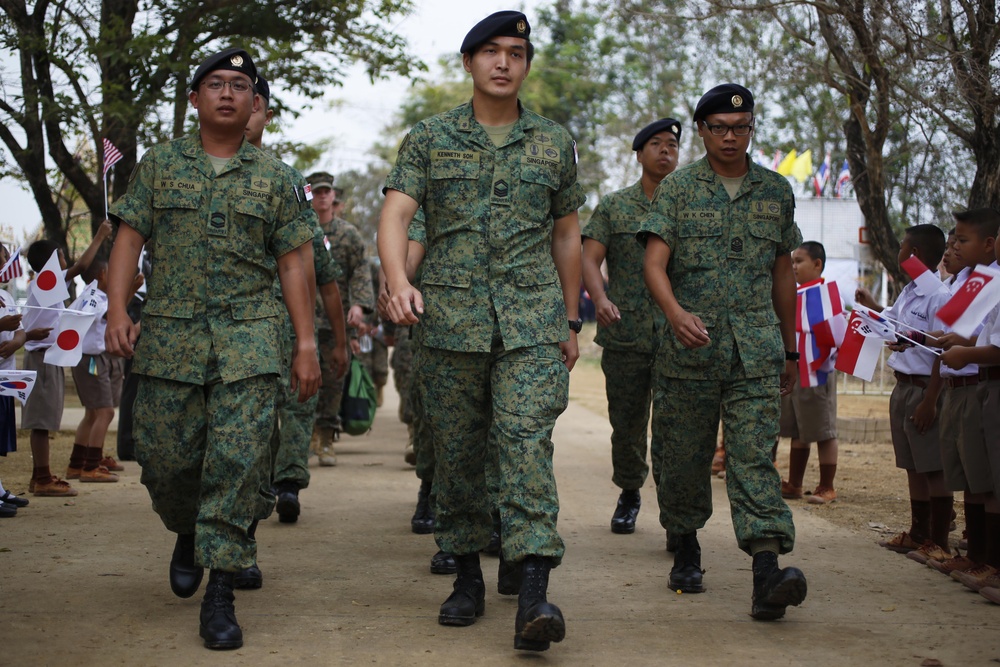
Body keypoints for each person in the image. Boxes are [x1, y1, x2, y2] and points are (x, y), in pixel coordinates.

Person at [378, 10, 585, 651]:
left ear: (526, 65)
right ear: (469, 63)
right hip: (450, 325)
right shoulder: (430, 138)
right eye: (490, 51)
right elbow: (397, 214)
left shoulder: (554, 142)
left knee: (525, 447)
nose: (503, 62)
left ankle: (533, 593)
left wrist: (571, 317)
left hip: (530, 324)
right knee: (460, 457)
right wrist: (396, 280)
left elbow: (567, 233)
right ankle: (466, 576)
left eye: (516, 52)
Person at [104, 47, 320, 650]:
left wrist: (305, 343)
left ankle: (221, 590)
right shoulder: (158, 166)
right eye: (215, 84)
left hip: (250, 341)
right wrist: (119, 308)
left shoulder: (277, 178)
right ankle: (187, 529)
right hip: (171, 338)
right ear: (194, 100)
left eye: (240, 85)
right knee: (166, 460)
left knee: (239, 461)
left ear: (255, 103)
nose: (228, 93)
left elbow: (294, 265)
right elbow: (128, 240)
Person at [638, 83, 808, 620]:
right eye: (718, 128)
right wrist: (674, 314)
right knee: (683, 455)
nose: (730, 137)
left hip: (754, 351)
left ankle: (766, 571)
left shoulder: (775, 191)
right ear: (703, 131)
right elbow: (653, 265)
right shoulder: (679, 188)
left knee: (754, 459)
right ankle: (686, 545)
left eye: (740, 127)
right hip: (691, 349)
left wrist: (789, 347)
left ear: (751, 128)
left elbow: (784, 272)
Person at [243, 74, 347, 537]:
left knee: (299, 406)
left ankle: (285, 484)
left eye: (252, 102)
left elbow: (325, 280)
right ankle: (254, 488)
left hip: (292, 328)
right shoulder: (180, 168)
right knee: (252, 415)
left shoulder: (284, 183)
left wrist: (336, 341)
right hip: (239, 328)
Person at [582, 118, 680, 536]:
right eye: (655, 144)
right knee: (627, 423)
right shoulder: (615, 206)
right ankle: (629, 491)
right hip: (626, 334)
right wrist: (600, 298)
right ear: (639, 154)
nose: (665, 151)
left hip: (680, 337)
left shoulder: (691, 203)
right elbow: (587, 257)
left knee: (676, 426)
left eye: (672, 145)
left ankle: (678, 515)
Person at [854, 226, 951, 558]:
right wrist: (872, 308)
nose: (896, 253)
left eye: (902, 248)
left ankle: (938, 540)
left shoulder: (939, 296)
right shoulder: (911, 289)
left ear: (915, 256)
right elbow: (896, 324)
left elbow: (944, 351)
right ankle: (919, 531)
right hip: (904, 385)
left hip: (924, 388)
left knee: (932, 466)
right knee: (912, 464)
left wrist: (931, 399)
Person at [930, 209, 1000, 583]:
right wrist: (950, 342)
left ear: (989, 243)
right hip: (967, 383)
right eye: (953, 239)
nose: (954, 245)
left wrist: (965, 349)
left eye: (963, 240)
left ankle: (989, 558)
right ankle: (977, 556)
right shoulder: (972, 280)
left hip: (980, 383)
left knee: (987, 477)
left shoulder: (993, 280)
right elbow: (964, 330)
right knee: (973, 476)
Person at [21, 224, 112, 496]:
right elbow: (81, 265)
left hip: (48, 358)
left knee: (45, 420)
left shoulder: (47, 286)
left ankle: (42, 475)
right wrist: (99, 237)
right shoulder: (45, 283)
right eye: (61, 256)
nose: (65, 262)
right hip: (42, 359)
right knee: (41, 421)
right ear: (52, 261)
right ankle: (42, 478)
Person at [307, 172, 373, 465]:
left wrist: (359, 306)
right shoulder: (299, 231)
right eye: (317, 192)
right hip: (304, 322)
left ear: (333, 197)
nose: (323, 196)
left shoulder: (348, 234)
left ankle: (325, 438)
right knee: (304, 383)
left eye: (327, 192)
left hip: (337, 323)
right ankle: (305, 436)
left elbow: (361, 270)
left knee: (334, 381)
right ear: (310, 196)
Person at [779, 241, 842, 505]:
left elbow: (837, 335)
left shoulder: (824, 295)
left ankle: (826, 486)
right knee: (797, 429)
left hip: (817, 374)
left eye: (799, 261)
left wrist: (824, 364)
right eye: (792, 261)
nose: (794, 266)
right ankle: (795, 483)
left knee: (822, 430)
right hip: (795, 374)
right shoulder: (792, 295)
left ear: (817, 264)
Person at [67, 260, 139, 483]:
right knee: (105, 412)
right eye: (111, 273)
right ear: (101, 275)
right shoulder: (92, 298)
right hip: (91, 360)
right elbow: (109, 317)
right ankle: (91, 466)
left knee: (93, 413)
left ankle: (78, 464)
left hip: (96, 358)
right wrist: (132, 290)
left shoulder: (98, 297)